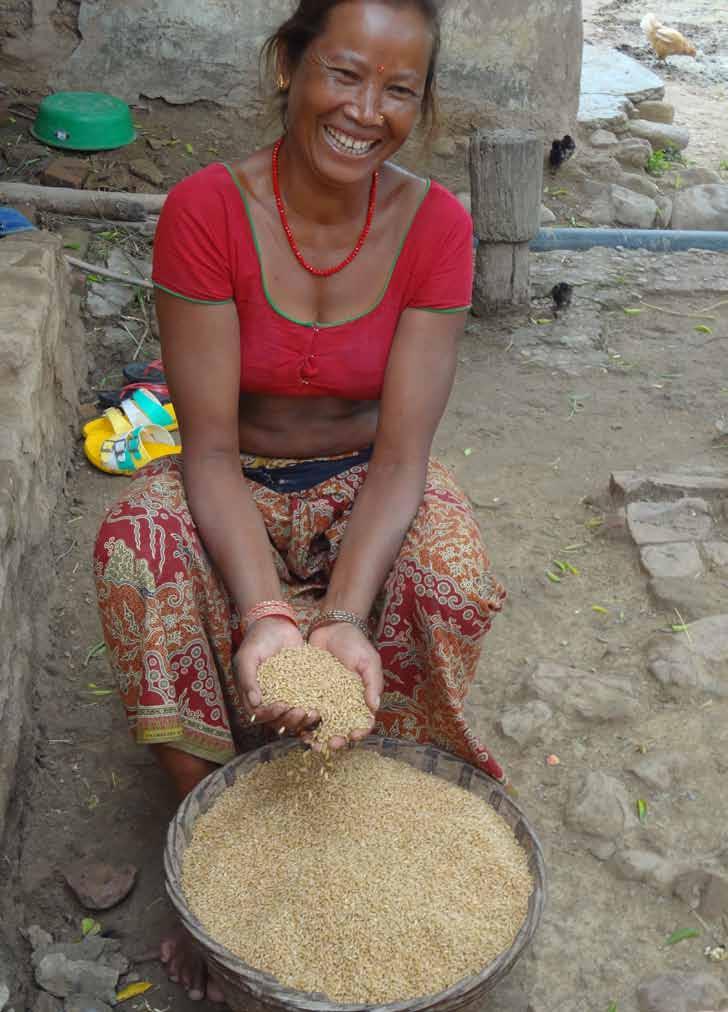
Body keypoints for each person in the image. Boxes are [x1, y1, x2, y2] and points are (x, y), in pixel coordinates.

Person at [94, 0, 506, 1000]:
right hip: (232, 478)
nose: (368, 111)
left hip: (361, 480)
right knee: (135, 552)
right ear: (288, 65)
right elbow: (209, 450)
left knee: (451, 566)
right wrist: (268, 615)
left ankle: (378, 800)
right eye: (345, 74)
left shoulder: (434, 225)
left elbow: (403, 460)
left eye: (399, 89)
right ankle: (214, 858)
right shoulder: (206, 209)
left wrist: (347, 619)